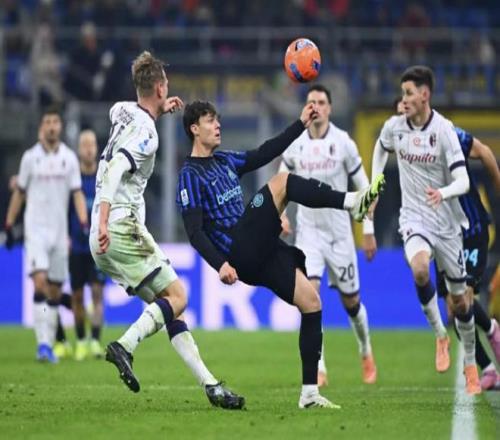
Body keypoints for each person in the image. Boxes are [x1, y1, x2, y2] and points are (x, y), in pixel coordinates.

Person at [176, 100, 385, 409]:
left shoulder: (225, 160)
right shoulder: (190, 175)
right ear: (194, 129)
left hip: (260, 249)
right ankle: (352, 203)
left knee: (311, 303)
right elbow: (195, 233)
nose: (217, 125)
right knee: (283, 182)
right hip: (238, 249)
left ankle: (309, 394)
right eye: (210, 121)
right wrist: (220, 265)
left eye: (217, 119)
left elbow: (265, 152)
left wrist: (300, 124)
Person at [89, 51, 244, 410]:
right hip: (118, 225)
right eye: (166, 86)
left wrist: (160, 105)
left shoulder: (121, 111)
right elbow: (115, 169)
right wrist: (105, 221)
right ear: (160, 88)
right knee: (179, 296)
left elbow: (124, 110)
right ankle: (125, 346)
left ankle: (211, 386)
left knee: (171, 307)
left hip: (102, 234)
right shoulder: (147, 134)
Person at [371, 65, 480, 394]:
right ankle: (440, 336)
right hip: (414, 218)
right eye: (402, 93)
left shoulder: (444, 130)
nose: (403, 99)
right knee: (420, 270)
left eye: (408, 93)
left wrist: (443, 193)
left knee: (461, 303)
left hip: (447, 224)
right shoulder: (395, 127)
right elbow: (381, 146)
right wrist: (376, 182)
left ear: (425, 95)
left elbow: (463, 180)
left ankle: (471, 362)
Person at [394, 96, 500, 390]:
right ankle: (488, 368)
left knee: (463, 297)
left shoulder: (446, 133)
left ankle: (492, 331)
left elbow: (483, 151)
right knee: (454, 309)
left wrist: (498, 184)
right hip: (441, 233)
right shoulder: (401, 141)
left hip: (471, 228)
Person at [279, 84, 377, 387]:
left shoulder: (343, 142)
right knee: (310, 297)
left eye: (321, 102)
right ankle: (319, 365)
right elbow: (280, 182)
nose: (317, 107)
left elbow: (366, 190)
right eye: (311, 102)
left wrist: (368, 230)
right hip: (308, 234)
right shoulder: (295, 145)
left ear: (330, 108)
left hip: (339, 235)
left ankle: (365, 349)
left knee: (352, 302)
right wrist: (281, 214)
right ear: (306, 108)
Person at [4, 106, 88, 363]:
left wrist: (84, 221)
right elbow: (19, 192)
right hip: (36, 231)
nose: (52, 126)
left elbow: (77, 193)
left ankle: (49, 344)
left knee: (54, 291)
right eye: (47, 122)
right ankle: (42, 344)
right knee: (39, 283)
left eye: (55, 122)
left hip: (59, 233)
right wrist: (9, 223)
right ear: (42, 127)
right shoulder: (30, 158)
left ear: (60, 126)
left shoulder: (69, 159)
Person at [69, 130, 107, 361]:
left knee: (97, 293)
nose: (89, 148)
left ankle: (94, 341)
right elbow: (65, 211)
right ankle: (81, 341)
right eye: (84, 144)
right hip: (76, 246)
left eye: (92, 144)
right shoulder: (72, 180)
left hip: (98, 246)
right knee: (77, 296)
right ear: (79, 149)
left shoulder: (104, 178)